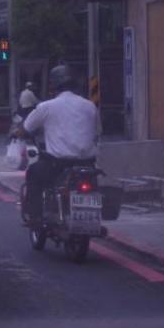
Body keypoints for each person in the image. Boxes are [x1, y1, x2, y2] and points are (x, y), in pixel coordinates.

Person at [15, 65, 101, 223]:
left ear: (53, 85)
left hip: (58, 165)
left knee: (33, 172)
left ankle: (35, 217)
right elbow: (96, 133)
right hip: (87, 165)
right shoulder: (90, 106)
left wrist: (17, 133)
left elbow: (25, 128)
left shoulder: (47, 107)